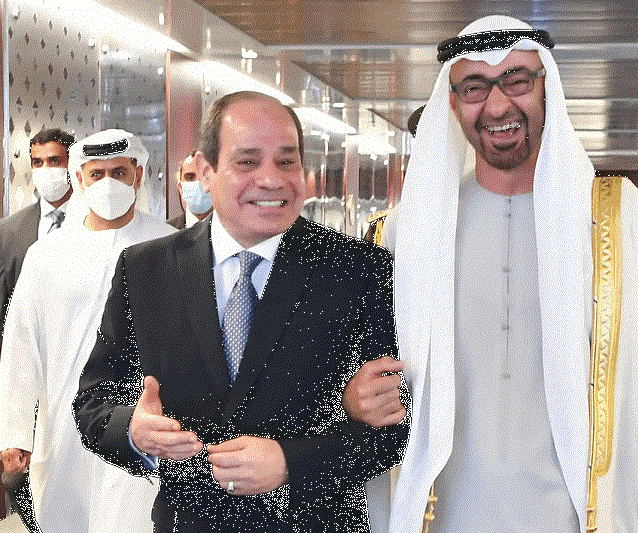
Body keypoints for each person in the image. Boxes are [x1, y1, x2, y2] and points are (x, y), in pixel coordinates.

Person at [345, 15, 638, 533]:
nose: (497, 106)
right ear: (453, 104)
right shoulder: (405, 235)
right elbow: (359, 379)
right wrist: (352, 399)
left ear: (547, 86)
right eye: (474, 87)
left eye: (517, 81)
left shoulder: (622, 222)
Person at [72, 91, 410, 532]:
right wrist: (134, 433)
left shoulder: (359, 270)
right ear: (205, 170)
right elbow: (93, 402)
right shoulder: (146, 270)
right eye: (247, 162)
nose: (271, 180)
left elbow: (395, 426)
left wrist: (291, 463)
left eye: (286, 161)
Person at [0, 129, 175, 532]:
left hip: (138, 423)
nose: (108, 183)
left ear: (138, 175)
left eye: (119, 172)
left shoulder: (171, 247)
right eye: (97, 174)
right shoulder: (47, 255)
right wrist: (14, 432)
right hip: (64, 430)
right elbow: (22, 346)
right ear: (80, 178)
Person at [0, 127, 75, 532]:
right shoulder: (11, 231)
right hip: (28, 372)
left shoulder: (93, 223)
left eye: (55, 161)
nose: (46, 170)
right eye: (38, 162)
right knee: (18, 479)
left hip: (79, 371)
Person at [168, 151, 213, 229]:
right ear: (180, 187)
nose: (198, 183)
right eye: (190, 178)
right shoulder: (165, 231)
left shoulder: (232, 231)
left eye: (206, 177)